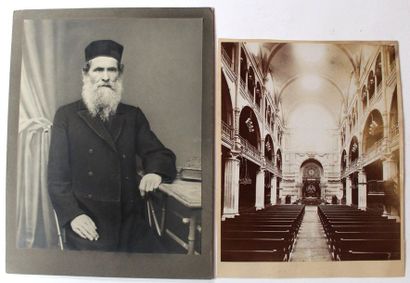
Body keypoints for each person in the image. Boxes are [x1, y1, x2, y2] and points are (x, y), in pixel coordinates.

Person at [47, 39, 177, 252]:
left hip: (130, 221)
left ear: (119, 74)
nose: (105, 77)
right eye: (99, 70)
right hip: (88, 221)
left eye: (111, 70)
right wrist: (73, 215)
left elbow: (159, 153)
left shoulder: (132, 115)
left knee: (161, 265)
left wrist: (154, 173)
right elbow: (57, 178)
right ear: (86, 74)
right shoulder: (66, 116)